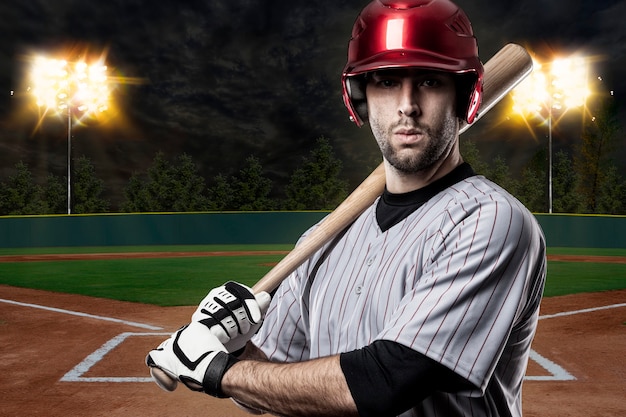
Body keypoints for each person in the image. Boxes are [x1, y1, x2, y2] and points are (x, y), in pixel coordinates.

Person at [146, 0, 547, 416]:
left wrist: (218, 372)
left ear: (465, 95)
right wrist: (232, 345)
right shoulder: (321, 242)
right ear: (359, 98)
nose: (406, 105)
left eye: (429, 81)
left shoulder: (491, 220)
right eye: (386, 82)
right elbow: (275, 388)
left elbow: (388, 381)